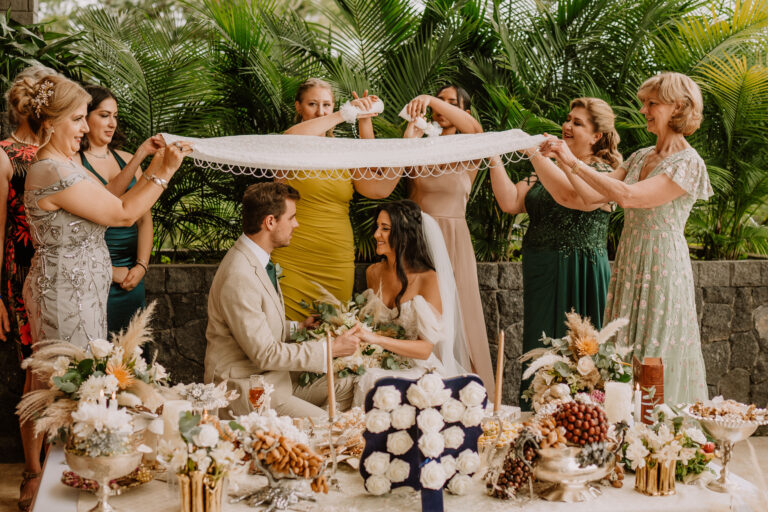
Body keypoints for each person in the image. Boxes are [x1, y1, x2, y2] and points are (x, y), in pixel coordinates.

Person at [540, 72, 711, 405]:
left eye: (652, 103)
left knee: (654, 352)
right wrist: (555, 158)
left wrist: (571, 159)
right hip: (631, 260)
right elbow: (592, 198)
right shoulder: (640, 156)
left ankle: (659, 436)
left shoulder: (689, 163)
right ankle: (624, 434)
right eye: (644, 103)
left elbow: (628, 196)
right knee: (622, 350)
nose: (644, 110)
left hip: (662, 266)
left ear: (678, 106)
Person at [20, 74, 191, 348]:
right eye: (77, 119)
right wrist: (167, 171)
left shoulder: (62, 163)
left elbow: (110, 198)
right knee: (70, 378)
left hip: (81, 292)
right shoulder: (53, 169)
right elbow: (123, 214)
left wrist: (154, 167)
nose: (85, 128)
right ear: (50, 123)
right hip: (66, 296)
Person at [489, 97, 622, 403]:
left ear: (596, 135)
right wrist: (492, 154)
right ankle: (539, 412)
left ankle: (583, 413)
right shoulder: (543, 171)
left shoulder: (604, 171)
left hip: (581, 269)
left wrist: (537, 154)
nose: (567, 126)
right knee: (541, 342)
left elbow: (567, 193)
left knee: (580, 350)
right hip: (541, 268)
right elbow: (510, 202)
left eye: (578, 122)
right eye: (568, 119)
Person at [204, 182, 362, 418]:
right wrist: (330, 348)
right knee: (332, 427)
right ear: (270, 222)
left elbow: (256, 326)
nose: (296, 224)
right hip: (249, 390)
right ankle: (299, 434)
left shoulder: (258, 258)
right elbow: (265, 353)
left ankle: (292, 440)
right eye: (292, 218)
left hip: (276, 381)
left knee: (349, 386)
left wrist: (297, 327)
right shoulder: (239, 275)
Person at [274, 78, 399, 321]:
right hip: (292, 254)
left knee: (333, 330)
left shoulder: (343, 152)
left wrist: (365, 120)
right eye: (312, 104)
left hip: (336, 258)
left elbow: (377, 188)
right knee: (288, 332)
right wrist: (345, 113)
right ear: (298, 107)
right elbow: (291, 138)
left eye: (327, 105)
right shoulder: (288, 144)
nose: (320, 111)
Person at [400, 85, 495, 398]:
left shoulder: (468, 150)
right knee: (424, 315)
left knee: (461, 315)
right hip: (419, 241)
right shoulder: (417, 143)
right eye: (439, 101)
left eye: (451, 103)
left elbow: (476, 129)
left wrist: (429, 98)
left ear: (463, 111)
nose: (442, 107)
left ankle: (467, 395)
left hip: (455, 240)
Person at [353, 200, 469, 404]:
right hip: (377, 360)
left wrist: (376, 339)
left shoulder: (429, 279)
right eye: (377, 227)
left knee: (373, 379)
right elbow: (368, 324)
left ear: (405, 234)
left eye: (385, 229)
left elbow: (425, 349)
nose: (376, 234)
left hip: (417, 368)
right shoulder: (373, 273)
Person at [1, 64, 53, 512]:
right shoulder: (3, 154)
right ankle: (34, 471)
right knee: (36, 377)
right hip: (21, 278)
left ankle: (60, 468)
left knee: (70, 372)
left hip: (67, 275)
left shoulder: (63, 151)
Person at [79, 85, 159, 334]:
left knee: (132, 355)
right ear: (84, 116)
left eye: (115, 116)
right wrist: (141, 155)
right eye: (104, 115)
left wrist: (141, 267)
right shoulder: (73, 162)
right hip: (92, 272)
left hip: (131, 277)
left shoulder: (125, 157)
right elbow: (106, 200)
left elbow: (144, 219)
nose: (112, 123)